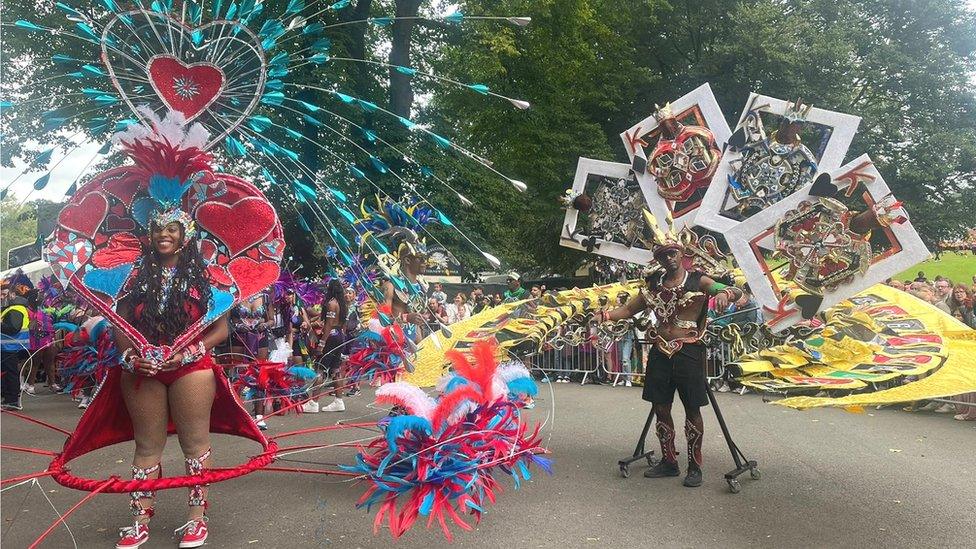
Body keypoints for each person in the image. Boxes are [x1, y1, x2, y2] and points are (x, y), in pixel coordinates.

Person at [114, 210, 230, 548]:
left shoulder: (208, 276)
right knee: (147, 446)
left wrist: (188, 353)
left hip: (190, 368)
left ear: (186, 234)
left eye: (173, 228)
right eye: (158, 228)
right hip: (143, 370)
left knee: (194, 445)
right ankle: (138, 522)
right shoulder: (134, 275)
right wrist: (132, 359)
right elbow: (118, 323)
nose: (165, 235)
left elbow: (221, 330)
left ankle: (197, 519)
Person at [600, 236, 742, 488]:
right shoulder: (654, 286)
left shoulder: (698, 280)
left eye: (673, 252)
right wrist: (604, 315)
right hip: (659, 353)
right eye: (664, 254)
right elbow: (628, 310)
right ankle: (668, 461)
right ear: (659, 259)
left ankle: (695, 466)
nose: (669, 258)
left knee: (692, 409)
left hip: (688, 352)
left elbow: (733, 290)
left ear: (682, 253)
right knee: (661, 407)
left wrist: (725, 293)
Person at [307, 279, 349, 413]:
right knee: (336, 369)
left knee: (320, 368)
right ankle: (339, 401)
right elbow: (343, 325)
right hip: (340, 336)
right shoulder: (344, 304)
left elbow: (329, 324)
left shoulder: (331, 303)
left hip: (331, 336)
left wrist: (321, 343)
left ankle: (313, 403)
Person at [1, 286, 31, 410]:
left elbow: (13, 328)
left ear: (12, 294)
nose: (1, 296)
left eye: (3, 294)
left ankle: (12, 401)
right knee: (6, 373)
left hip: (12, 347)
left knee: (10, 374)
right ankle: (7, 399)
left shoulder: (15, 309)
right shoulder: (9, 308)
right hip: (7, 347)